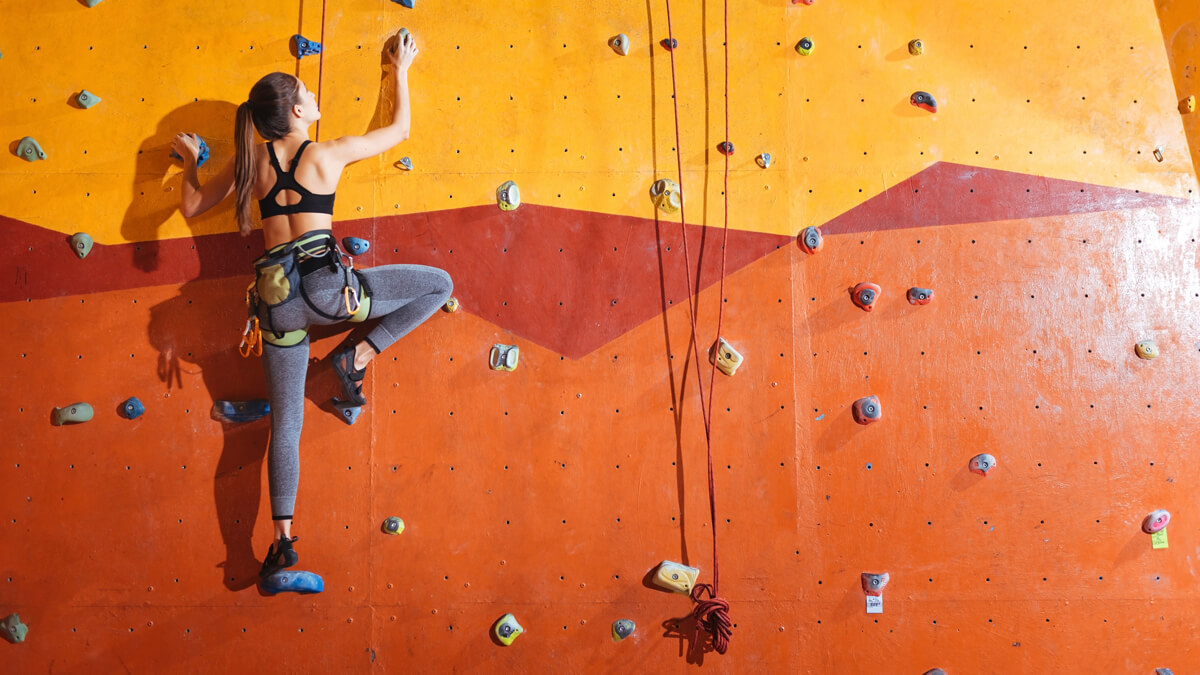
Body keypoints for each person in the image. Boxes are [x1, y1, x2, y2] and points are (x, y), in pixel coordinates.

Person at [171, 30, 452, 579]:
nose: (317, 99)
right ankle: (357, 359)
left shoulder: (250, 165)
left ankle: (281, 542)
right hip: (329, 293)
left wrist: (188, 162)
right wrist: (401, 70)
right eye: (310, 93)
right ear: (298, 110)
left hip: (276, 305)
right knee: (438, 284)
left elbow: (193, 205)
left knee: (287, 427)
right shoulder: (324, 153)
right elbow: (397, 130)